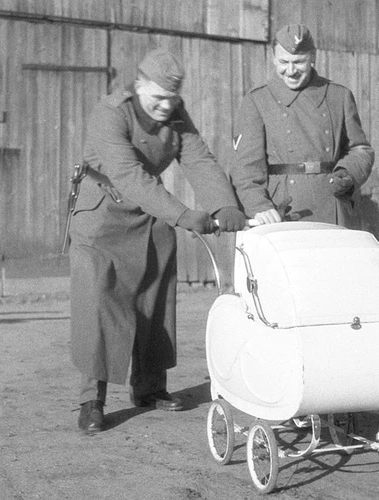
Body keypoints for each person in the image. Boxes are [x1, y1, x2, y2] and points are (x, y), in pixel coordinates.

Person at [68, 48, 245, 435]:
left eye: (172, 99)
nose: (165, 107)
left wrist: (225, 205)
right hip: (103, 215)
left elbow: (199, 160)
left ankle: (149, 389)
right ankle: (91, 400)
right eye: (157, 98)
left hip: (150, 214)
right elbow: (129, 176)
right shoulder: (111, 112)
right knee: (99, 300)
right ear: (138, 87)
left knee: (156, 298)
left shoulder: (176, 117)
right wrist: (184, 215)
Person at [229, 24, 375, 228]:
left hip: (332, 207)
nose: (290, 71)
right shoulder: (258, 100)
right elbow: (245, 169)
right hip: (281, 211)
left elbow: (360, 149)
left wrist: (348, 173)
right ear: (273, 57)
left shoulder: (338, 96)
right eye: (283, 62)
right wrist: (260, 207)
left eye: (298, 62)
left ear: (313, 57)